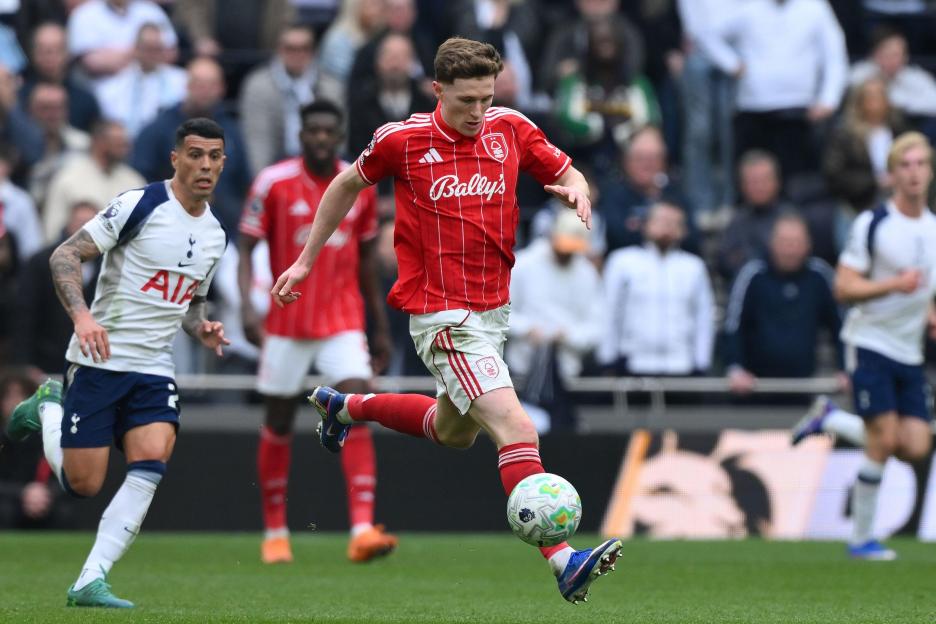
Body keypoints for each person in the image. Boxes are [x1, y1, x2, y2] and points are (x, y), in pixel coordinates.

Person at [271, 37, 623, 604]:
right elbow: (344, 185)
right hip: (442, 315)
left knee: (452, 432)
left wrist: (576, 191)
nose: (478, 112)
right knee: (517, 428)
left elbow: (569, 170)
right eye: (466, 101)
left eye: (486, 97)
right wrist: (307, 259)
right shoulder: (403, 140)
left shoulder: (510, 127)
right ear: (438, 90)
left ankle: (344, 406)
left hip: (492, 313)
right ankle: (563, 561)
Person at [4, 117, 230, 607]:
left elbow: (191, 304)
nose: (205, 165)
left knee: (153, 460)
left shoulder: (215, 235)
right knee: (83, 484)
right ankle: (47, 405)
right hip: (100, 361)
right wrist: (82, 317)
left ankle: (90, 578)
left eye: (214, 156)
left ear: (223, 163)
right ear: (176, 158)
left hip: (154, 367)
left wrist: (203, 327)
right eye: (195, 154)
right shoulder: (141, 204)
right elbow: (64, 256)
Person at [238, 100, 397, 564]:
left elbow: (368, 262)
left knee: (357, 404)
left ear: (340, 133)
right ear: (301, 134)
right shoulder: (273, 183)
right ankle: (274, 533)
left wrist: (379, 327)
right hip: (285, 320)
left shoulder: (359, 184)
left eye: (329, 131)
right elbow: (246, 246)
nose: (321, 138)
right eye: (313, 131)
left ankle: (363, 528)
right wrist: (249, 306)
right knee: (280, 421)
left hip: (342, 320)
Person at [792, 132, 936, 560]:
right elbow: (843, 287)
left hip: (909, 351)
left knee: (916, 444)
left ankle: (831, 418)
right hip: (869, 341)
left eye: (920, 164)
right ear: (891, 175)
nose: (913, 173)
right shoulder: (874, 224)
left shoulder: (933, 229)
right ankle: (860, 541)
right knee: (883, 437)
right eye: (904, 165)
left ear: (929, 171)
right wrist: (895, 283)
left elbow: (928, 290)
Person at [724, 213, 845, 395]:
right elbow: (733, 325)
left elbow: (841, 325)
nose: (790, 250)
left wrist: (845, 368)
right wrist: (735, 368)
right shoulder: (752, 274)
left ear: (808, 244)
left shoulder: (820, 276)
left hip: (805, 385)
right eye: (785, 242)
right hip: (753, 387)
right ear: (772, 243)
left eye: (796, 242)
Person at [598, 201, 714, 376]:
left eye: (674, 222)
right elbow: (609, 310)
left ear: (683, 230)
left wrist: (701, 362)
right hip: (633, 363)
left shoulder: (694, 267)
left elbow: (703, 317)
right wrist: (607, 358)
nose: (667, 227)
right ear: (645, 224)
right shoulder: (622, 261)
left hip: (681, 364)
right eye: (661, 220)